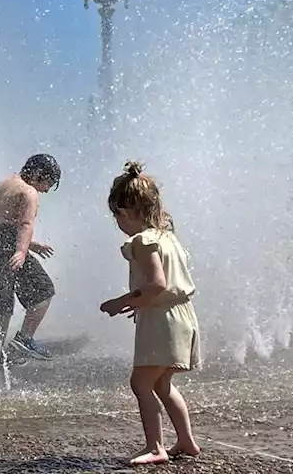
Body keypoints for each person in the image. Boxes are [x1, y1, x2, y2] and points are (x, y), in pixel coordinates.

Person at [99, 160, 201, 466]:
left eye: (116, 215)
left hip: (163, 320)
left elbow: (157, 283)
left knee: (140, 384)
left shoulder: (142, 241)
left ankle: (155, 447)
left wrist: (123, 301)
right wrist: (141, 303)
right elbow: (163, 287)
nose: (117, 223)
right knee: (161, 384)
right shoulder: (167, 237)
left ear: (126, 211)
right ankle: (185, 441)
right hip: (180, 315)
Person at [0, 153, 61, 365]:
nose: (46, 189)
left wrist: (30, 244)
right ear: (39, 174)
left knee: (0, 305)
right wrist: (21, 250)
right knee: (43, 290)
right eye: (48, 182)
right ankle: (24, 339)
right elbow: (25, 225)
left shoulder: (6, 183)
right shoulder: (29, 192)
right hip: (5, 247)